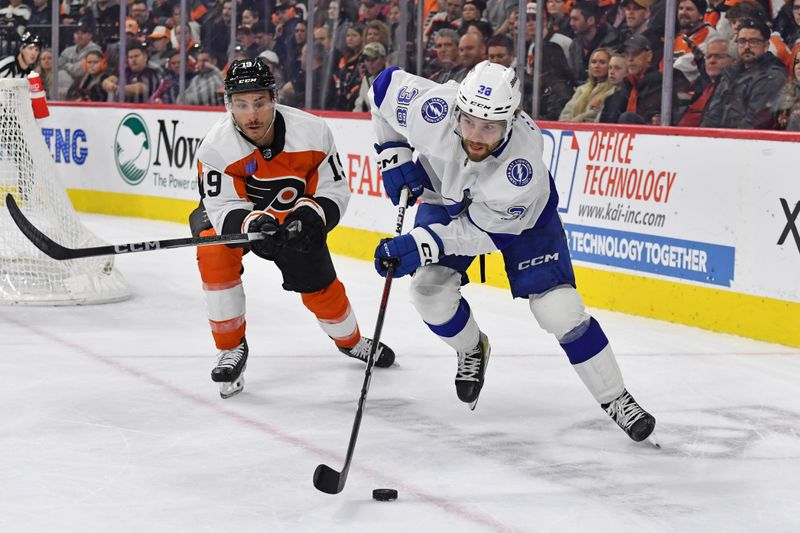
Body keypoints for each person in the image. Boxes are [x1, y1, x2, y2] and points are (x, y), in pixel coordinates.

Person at [367, 60, 657, 444]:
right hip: (445, 195)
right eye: (468, 121)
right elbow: (381, 89)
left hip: (521, 222)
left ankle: (616, 398)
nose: (475, 135)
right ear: (458, 108)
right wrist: (393, 152)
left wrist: (424, 244)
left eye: (490, 127)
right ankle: (472, 348)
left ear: (512, 119)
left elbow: (484, 235)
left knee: (559, 310)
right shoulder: (433, 109)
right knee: (428, 294)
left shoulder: (520, 169)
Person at [190, 57, 395, 399]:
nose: (252, 115)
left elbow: (333, 189)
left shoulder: (312, 132)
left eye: (259, 103)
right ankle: (230, 347)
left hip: (294, 217)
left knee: (321, 290)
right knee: (213, 247)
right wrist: (253, 224)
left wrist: (311, 216)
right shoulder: (216, 146)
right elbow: (222, 205)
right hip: (241, 217)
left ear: (274, 99)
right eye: (241, 105)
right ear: (229, 105)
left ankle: (351, 341)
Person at [701, 18, 787, 129]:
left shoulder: (773, 76)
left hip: (751, 142)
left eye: (753, 42)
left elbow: (755, 122)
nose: (746, 47)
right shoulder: (729, 73)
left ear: (766, 46)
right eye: (742, 41)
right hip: (721, 141)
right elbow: (711, 116)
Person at [559, 47, 616, 122]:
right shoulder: (581, 89)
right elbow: (566, 112)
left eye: (602, 62)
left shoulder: (613, 91)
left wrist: (576, 122)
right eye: (593, 62)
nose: (597, 66)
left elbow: (595, 117)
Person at [354, 42, 386, 111]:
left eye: (374, 59)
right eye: (367, 60)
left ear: (383, 59)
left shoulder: (393, 78)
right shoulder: (366, 79)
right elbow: (359, 105)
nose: (370, 63)